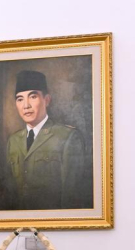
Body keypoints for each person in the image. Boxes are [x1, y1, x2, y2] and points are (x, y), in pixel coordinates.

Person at [6, 70, 89, 210]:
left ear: (47, 100)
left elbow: (72, 196)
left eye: (32, 97)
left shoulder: (67, 137)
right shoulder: (13, 141)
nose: (26, 105)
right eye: (20, 99)